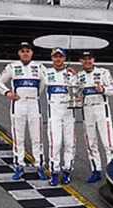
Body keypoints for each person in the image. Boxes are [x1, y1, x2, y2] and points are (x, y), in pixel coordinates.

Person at [0, 42, 47, 181]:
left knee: (37, 136)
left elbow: (47, 81)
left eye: (28, 51)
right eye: (23, 51)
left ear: (32, 53)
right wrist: (7, 92)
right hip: (18, 103)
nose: (25, 53)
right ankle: (19, 165)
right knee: (19, 136)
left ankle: (39, 166)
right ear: (19, 53)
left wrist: (36, 94)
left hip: (34, 104)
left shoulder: (39, 67)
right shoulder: (12, 66)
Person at [77, 51, 113, 183]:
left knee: (108, 143)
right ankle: (96, 170)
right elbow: (75, 93)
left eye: (90, 59)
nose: (87, 61)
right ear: (81, 61)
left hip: (101, 110)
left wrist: (103, 90)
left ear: (93, 60)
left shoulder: (103, 72)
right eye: (84, 59)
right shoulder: (79, 76)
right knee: (91, 143)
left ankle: (112, 173)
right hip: (87, 111)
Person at [42, 47, 76, 186]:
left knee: (70, 143)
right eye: (55, 56)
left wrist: (76, 75)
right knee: (55, 144)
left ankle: (67, 171)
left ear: (64, 58)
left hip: (69, 113)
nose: (58, 59)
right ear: (52, 58)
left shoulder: (71, 74)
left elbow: (79, 91)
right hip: (54, 114)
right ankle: (54, 172)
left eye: (60, 56)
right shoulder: (46, 73)